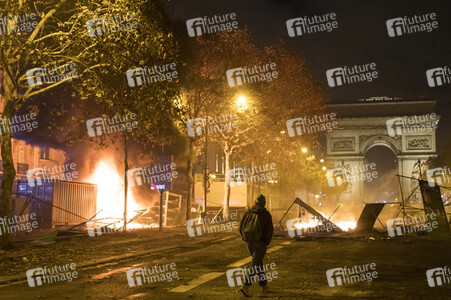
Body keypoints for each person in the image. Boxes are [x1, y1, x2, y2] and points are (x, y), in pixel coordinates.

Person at [238, 194, 274, 297]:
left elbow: (241, 227)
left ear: (255, 202)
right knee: (255, 265)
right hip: (260, 243)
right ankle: (246, 286)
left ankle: (264, 286)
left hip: (249, 243)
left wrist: (246, 238)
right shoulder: (266, 214)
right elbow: (269, 230)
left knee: (258, 264)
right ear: (264, 203)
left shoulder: (248, 212)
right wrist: (266, 242)